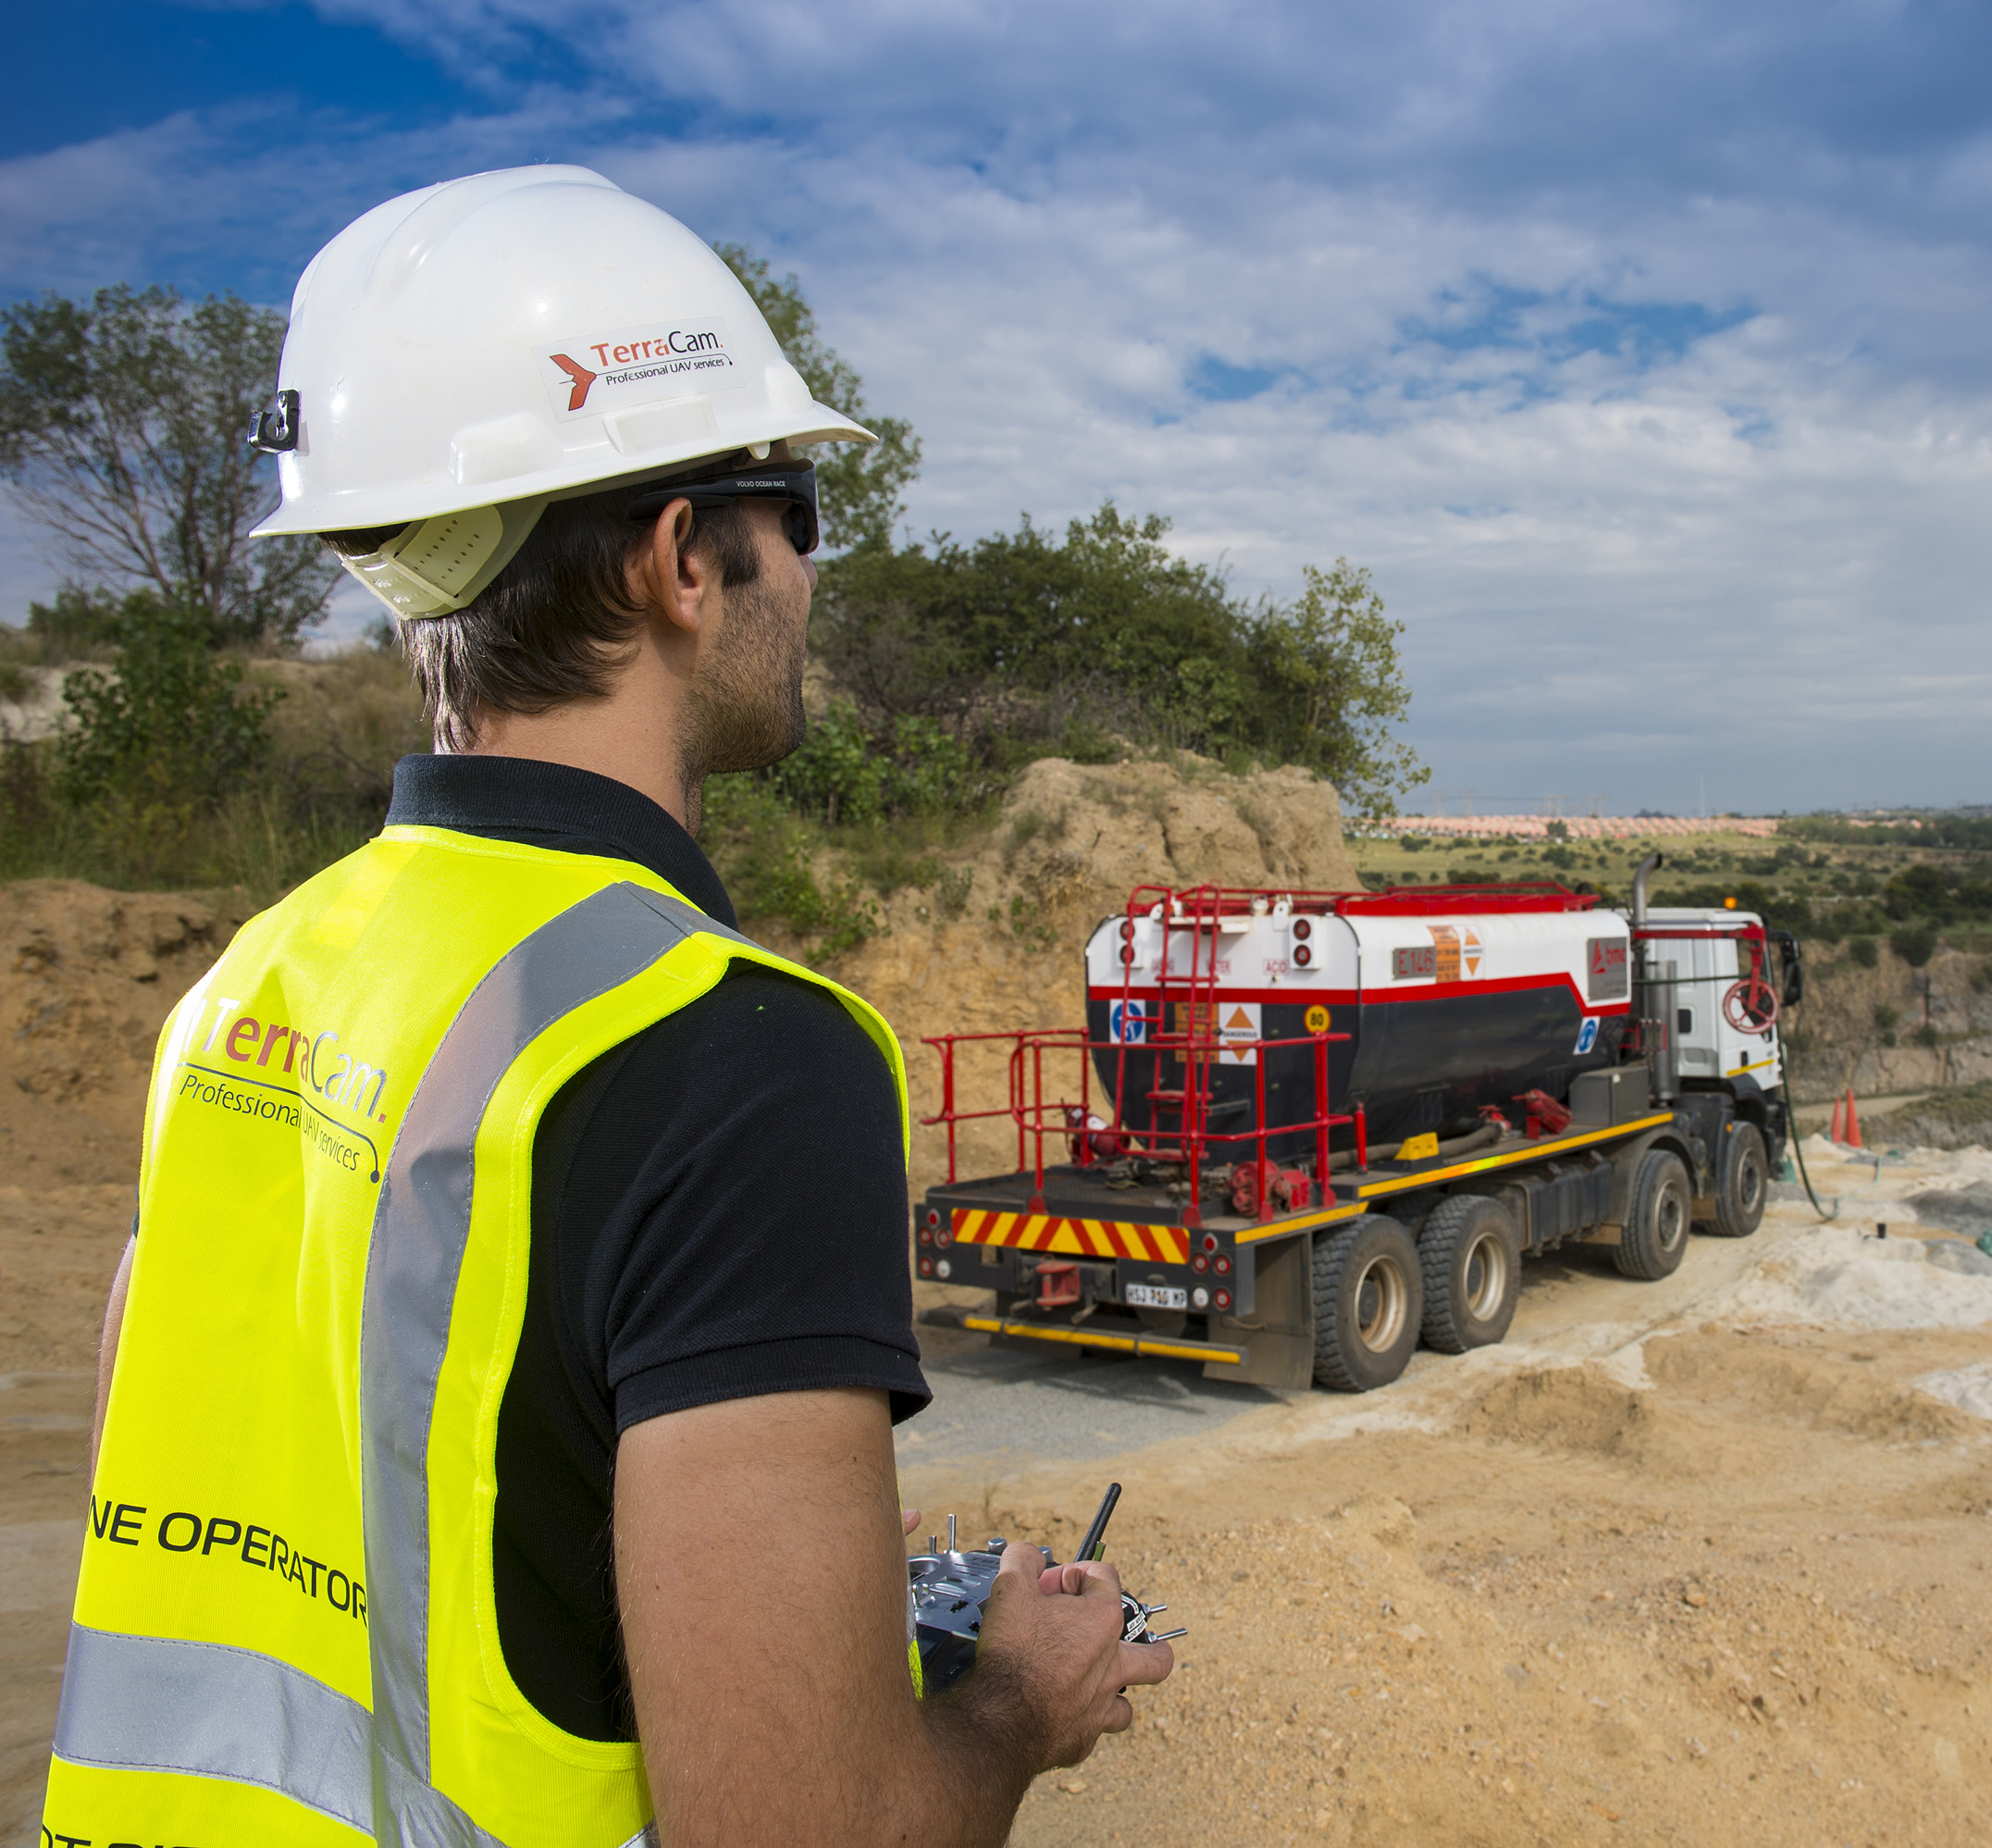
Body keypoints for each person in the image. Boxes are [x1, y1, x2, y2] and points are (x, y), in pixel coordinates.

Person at [46, 166, 1169, 1848]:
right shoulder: (735, 1060)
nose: (807, 566)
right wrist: (1019, 1701)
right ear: (678, 560)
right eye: (797, 506)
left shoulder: (242, 986)